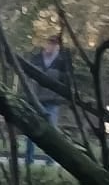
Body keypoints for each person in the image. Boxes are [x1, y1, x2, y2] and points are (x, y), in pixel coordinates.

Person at [23, 33, 73, 166]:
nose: (50, 45)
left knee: (51, 132)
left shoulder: (62, 62)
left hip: (52, 101)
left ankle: (50, 162)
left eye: (53, 43)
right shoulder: (36, 59)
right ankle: (29, 160)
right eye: (48, 42)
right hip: (35, 99)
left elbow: (66, 82)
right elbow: (28, 77)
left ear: (58, 46)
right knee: (32, 129)